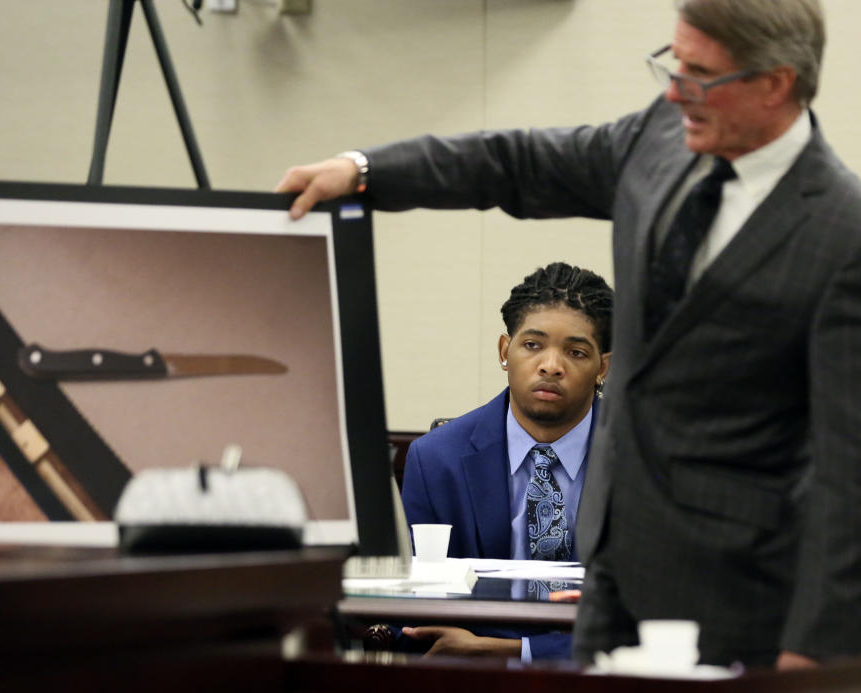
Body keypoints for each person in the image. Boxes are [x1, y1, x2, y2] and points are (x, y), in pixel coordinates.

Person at [276, 0, 861, 670]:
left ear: (775, 83)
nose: (674, 91)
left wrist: (818, 648)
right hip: (611, 576)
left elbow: (850, 468)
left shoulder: (841, 235)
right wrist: (364, 171)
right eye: (673, 64)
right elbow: (517, 162)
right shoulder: (661, 139)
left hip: (745, 596)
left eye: (700, 76)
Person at [399, 262, 612, 661]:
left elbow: (656, 607)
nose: (551, 365)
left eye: (576, 351)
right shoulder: (436, 459)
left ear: (603, 367)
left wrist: (510, 651)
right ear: (504, 351)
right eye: (533, 345)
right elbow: (411, 605)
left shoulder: (640, 459)